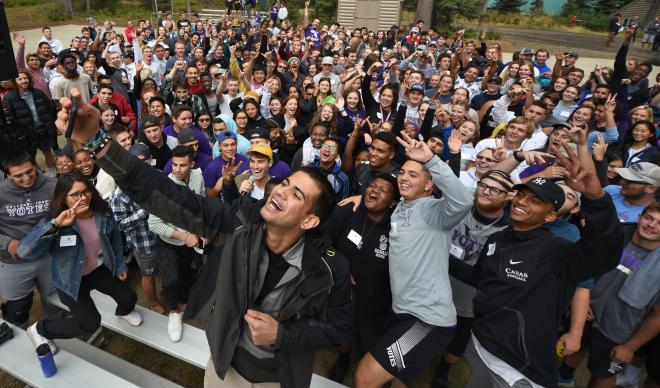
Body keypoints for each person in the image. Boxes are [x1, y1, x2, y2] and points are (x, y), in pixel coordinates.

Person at [55, 88, 352, 387]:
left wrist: (283, 335)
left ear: (310, 219)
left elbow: (339, 329)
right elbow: (166, 195)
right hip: (224, 368)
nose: (280, 192)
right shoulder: (238, 224)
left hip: (279, 379)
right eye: (285, 184)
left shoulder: (329, 270)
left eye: (296, 194)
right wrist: (97, 141)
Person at [449, 137, 623, 387]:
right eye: (522, 196)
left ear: (551, 215)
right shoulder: (499, 238)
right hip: (481, 344)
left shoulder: (558, 251)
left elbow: (605, 252)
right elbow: (481, 278)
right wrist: (441, 260)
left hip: (520, 365)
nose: (522, 202)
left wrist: (596, 198)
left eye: (535, 201)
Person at [354, 133, 473, 387]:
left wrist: (431, 160)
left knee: (366, 376)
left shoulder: (435, 210)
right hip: (401, 312)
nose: (404, 178)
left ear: (429, 185)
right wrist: (360, 200)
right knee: (397, 377)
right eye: (403, 173)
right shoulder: (401, 206)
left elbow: (463, 201)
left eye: (413, 175)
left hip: (426, 321)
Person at [19, 172, 142, 350]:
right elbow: (25, 251)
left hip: (98, 270)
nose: (82, 198)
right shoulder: (56, 222)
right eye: (75, 194)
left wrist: (120, 264)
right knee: (90, 323)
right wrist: (56, 225)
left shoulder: (102, 213)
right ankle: (42, 329)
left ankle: (123, 313)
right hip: (71, 279)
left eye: (85, 192)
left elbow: (115, 238)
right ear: (63, 198)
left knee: (129, 297)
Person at [432, 170, 514, 388]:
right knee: (421, 329)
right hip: (432, 287)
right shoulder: (460, 207)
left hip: (467, 301)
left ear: (508, 197)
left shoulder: (509, 232)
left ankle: (443, 369)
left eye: (495, 189)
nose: (487, 191)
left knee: (456, 344)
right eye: (483, 185)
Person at [323, 172, 400, 383]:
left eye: (382, 190)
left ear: (393, 203)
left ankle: (374, 372)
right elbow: (322, 241)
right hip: (343, 296)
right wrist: (340, 268)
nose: (374, 190)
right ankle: (343, 359)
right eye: (372, 186)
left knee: (373, 342)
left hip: (377, 302)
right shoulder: (349, 210)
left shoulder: (398, 229)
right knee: (343, 332)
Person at [586, 202, 660, 388]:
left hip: (617, 332)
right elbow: (585, 267)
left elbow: (657, 315)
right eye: (649, 218)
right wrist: (580, 301)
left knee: (602, 376)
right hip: (586, 312)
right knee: (571, 353)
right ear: (639, 217)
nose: (652, 225)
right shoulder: (615, 235)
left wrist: (630, 347)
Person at [148, 145, 205, 342]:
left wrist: (201, 231)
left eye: (182, 165)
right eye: (174, 164)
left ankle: (183, 303)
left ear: (192, 164)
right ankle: (173, 312)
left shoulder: (198, 177)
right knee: (170, 279)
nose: (177, 169)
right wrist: (184, 236)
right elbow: (154, 224)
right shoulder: (163, 190)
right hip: (168, 241)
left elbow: (201, 203)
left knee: (189, 274)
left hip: (192, 242)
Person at [0, 152, 60, 337]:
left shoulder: (53, 185)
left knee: (55, 300)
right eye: (18, 175)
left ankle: (57, 330)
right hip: (13, 262)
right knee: (17, 306)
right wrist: (6, 242)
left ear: (35, 165)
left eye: (29, 171)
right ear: (8, 175)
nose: (26, 178)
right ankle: (17, 337)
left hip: (49, 257)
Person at [109, 143, 163, 313]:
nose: (142, 165)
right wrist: (145, 212)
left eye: (145, 160)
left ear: (151, 160)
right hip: (144, 243)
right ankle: (154, 302)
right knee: (149, 275)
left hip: (167, 237)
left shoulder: (159, 177)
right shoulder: (120, 194)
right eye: (136, 162)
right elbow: (119, 224)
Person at [2, 70, 59, 175]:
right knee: (30, 157)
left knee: (48, 153)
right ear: (14, 82)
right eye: (20, 79)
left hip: (43, 130)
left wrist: (51, 125)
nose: (24, 81)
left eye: (25, 78)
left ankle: (52, 175)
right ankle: (38, 175)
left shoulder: (38, 93)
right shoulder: (9, 98)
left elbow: (49, 109)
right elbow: (10, 119)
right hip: (26, 134)